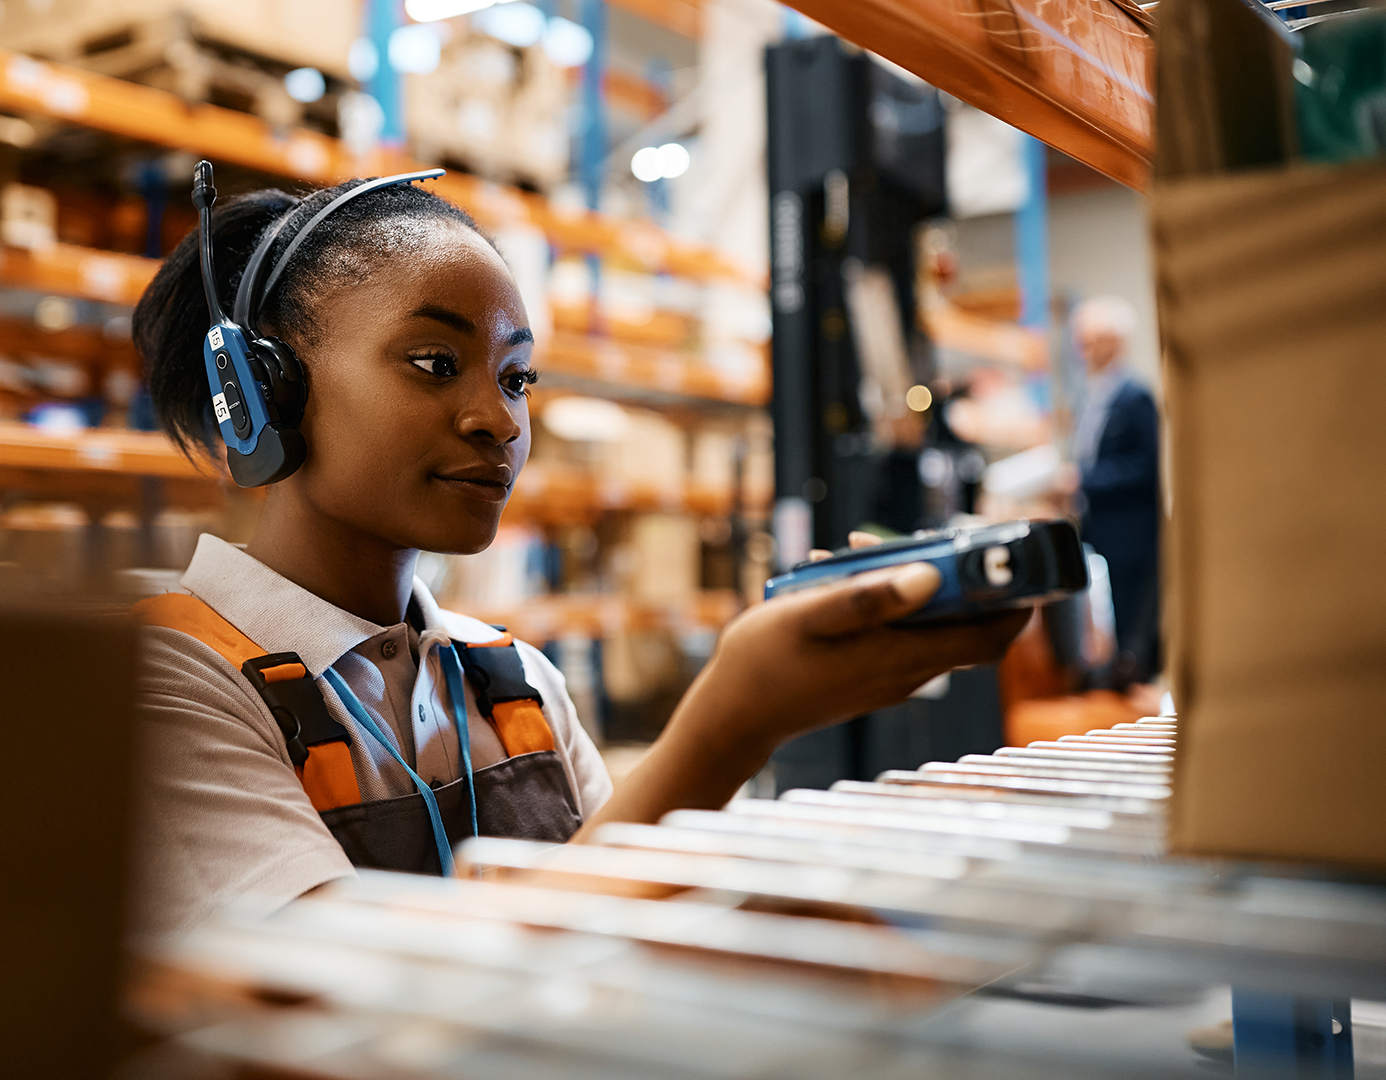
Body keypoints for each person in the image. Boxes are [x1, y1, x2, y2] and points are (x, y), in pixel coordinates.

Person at [132, 172, 1026, 933]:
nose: (500, 420)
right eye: (436, 363)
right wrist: (731, 725)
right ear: (263, 393)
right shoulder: (159, 684)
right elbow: (339, 1001)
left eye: (516, 376)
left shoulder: (511, 682)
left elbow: (618, 924)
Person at [1058, 296, 1161, 687]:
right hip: (1095, 527)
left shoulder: (1135, 397)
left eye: (1091, 340)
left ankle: (1128, 686)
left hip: (1129, 534)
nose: (1082, 350)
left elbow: (1146, 467)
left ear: (1115, 342)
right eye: (1079, 341)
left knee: (1128, 620)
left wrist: (1086, 480)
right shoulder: (1088, 396)